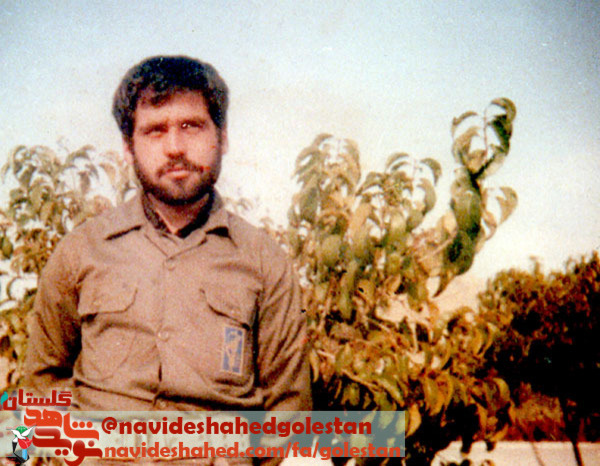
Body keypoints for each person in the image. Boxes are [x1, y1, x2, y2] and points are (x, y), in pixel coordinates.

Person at [23, 56, 311, 418]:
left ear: (222, 139)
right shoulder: (81, 251)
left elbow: (289, 413)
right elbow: (42, 385)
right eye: (155, 131)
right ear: (128, 147)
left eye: (192, 126)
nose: (175, 147)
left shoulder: (264, 261)